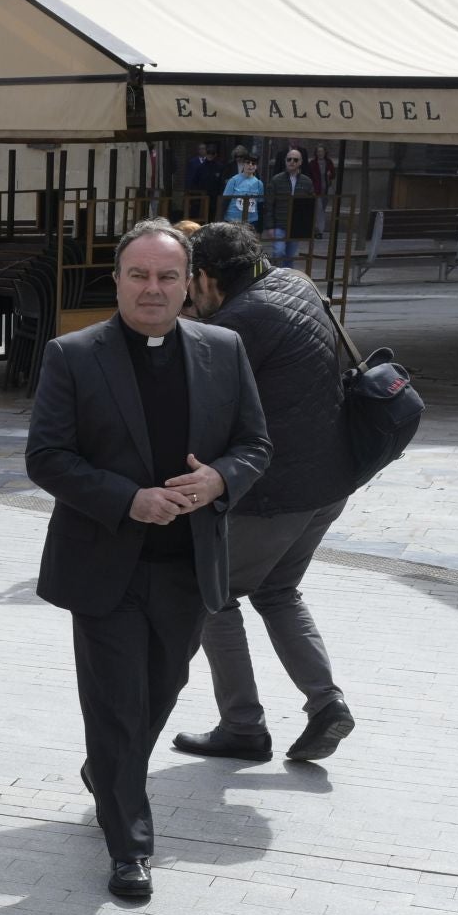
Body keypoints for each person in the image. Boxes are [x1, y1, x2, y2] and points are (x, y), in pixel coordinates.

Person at [24, 219, 271, 899]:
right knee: (118, 706)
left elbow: (256, 444)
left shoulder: (224, 348)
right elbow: (45, 456)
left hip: (187, 566)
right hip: (105, 565)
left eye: (168, 276)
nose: (153, 289)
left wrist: (221, 479)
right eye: (139, 275)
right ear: (118, 279)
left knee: (161, 691)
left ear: (189, 283)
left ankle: (107, 774)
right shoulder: (74, 355)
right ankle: (130, 846)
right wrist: (128, 499)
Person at [173, 222, 358, 763]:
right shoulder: (295, 284)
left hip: (277, 494)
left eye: (189, 282)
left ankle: (242, 726)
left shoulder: (239, 322)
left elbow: (197, 407)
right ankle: (326, 703)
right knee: (277, 592)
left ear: (206, 277)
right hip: (328, 485)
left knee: (212, 595)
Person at [261, 150, 315, 267]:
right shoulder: (276, 180)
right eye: (289, 159)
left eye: (295, 160)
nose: (292, 162)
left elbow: (310, 206)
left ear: (300, 162)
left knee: (290, 256)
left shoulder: (307, 182)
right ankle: (276, 276)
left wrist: (307, 227)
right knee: (278, 252)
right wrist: (270, 226)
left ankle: (286, 280)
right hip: (280, 223)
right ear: (285, 161)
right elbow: (269, 204)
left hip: (296, 225)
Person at [223, 152, 263, 230]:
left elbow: (260, 205)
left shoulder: (259, 184)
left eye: (253, 163)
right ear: (243, 164)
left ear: (256, 167)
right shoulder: (233, 180)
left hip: (251, 221)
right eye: (248, 162)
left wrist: (260, 226)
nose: (250, 165)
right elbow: (224, 201)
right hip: (232, 220)